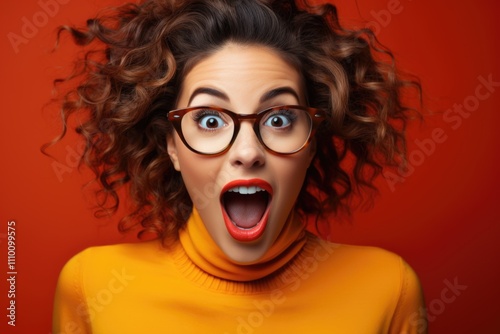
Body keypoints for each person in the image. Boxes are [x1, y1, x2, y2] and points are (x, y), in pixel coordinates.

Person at [51, 0, 427, 333]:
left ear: (311, 142)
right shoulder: (92, 287)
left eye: (278, 119)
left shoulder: (388, 290)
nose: (247, 153)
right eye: (210, 121)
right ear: (172, 145)